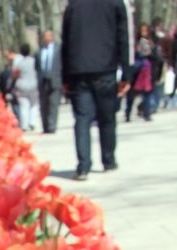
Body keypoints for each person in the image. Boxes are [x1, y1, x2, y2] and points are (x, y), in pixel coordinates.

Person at [61, 0, 131, 181]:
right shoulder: (115, 3)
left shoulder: (73, 5)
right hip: (105, 67)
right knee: (106, 118)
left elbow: (65, 41)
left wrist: (65, 76)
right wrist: (126, 73)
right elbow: (123, 38)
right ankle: (108, 160)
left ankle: (83, 166)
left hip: (78, 69)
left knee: (82, 119)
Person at [35, 29, 63, 133]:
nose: (46, 38)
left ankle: (52, 126)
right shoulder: (39, 51)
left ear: (52, 37)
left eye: (49, 35)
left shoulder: (58, 49)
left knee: (53, 104)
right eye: (45, 36)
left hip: (54, 79)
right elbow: (36, 67)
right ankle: (45, 126)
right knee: (43, 105)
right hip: (42, 81)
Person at [12, 43, 40, 131]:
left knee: (24, 106)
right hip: (33, 85)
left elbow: (15, 75)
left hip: (22, 86)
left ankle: (24, 125)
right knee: (34, 104)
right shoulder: (34, 61)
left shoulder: (19, 63)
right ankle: (32, 122)